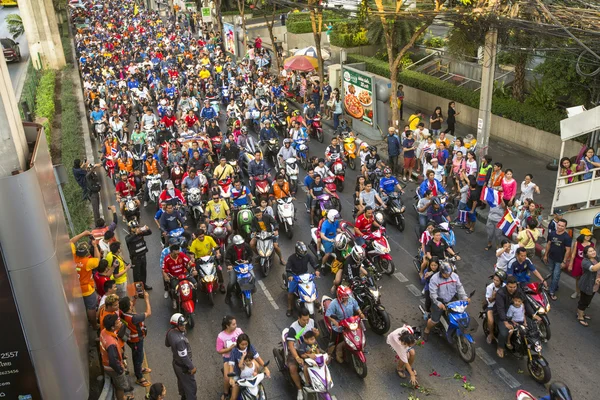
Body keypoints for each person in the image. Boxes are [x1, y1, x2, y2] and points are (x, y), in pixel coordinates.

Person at [423, 263, 469, 341]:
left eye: (449, 273)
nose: (448, 275)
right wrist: (438, 303)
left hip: (451, 299)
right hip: (439, 301)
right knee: (434, 321)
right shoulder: (435, 279)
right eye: (446, 274)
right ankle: (426, 330)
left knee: (459, 314)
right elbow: (433, 294)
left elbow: (459, 287)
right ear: (441, 272)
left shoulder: (454, 276)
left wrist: (465, 297)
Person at [493, 275, 536, 358]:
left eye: (514, 287)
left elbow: (526, 302)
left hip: (516, 314)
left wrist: (533, 315)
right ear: (506, 285)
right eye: (510, 287)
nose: (512, 289)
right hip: (503, 316)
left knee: (531, 325)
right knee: (504, 332)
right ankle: (500, 347)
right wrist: (505, 322)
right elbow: (501, 309)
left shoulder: (518, 290)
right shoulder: (500, 293)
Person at [325, 285, 365, 362]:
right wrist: (335, 322)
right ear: (341, 296)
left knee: (358, 334)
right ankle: (329, 355)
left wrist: (360, 313)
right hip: (339, 325)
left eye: (348, 295)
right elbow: (328, 315)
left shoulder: (351, 300)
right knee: (334, 341)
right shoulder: (334, 303)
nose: (348, 297)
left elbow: (357, 307)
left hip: (350, 323)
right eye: (346, 296)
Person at [286, 308, 320, 399]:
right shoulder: (293, 328)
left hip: (310, 347)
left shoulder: (312, 322)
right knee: (293, 368)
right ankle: (300, 389)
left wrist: (316, 333)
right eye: (304, 320)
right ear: (299, 318)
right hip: (297, 350)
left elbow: (315, 336)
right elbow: (291, 346)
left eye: (307, 319)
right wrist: (297, 357)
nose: (306, 322)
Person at [120, 293, 152, 387]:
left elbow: (130, 306)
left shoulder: (123, 313)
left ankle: (139, 369)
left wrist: (134, 299)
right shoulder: (134, 318)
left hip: (131, 339)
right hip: (136, 340)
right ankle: (139, 377)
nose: (132, 303)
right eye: (130, 302)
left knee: (138, 355)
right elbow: (148, 312)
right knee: (138, 357)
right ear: (129, 306)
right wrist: (146, 299)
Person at [70, 230, 101, 330]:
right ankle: (94, 325)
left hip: (75, 289)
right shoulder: (88, 262)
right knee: (91, 308)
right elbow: (98, 259)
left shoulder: (73, 257)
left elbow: (70, 242)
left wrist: (82, 233)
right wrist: (95, 246)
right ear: (87, 253)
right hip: (87, 290)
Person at [100, 314, 133, 400]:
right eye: (117, 322)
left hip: (105, 363)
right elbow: (113, 361)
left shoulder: (104, 332)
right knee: (120, 387)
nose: (120, 323)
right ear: (112, 327)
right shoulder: (111, 343)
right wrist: (120, 370)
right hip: (113, 369)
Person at [227, 334, 270, 400]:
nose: (244, 346)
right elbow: (231, 365)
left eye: (246, 344)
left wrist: (265, 368)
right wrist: (231, 378)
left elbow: (258, 358)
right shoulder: (234, 351)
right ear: (238, 343)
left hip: (251, 373)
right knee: (233, 398)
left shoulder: (250, 347)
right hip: (238, 374)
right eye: (242, 344)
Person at [165, 313, 197, 400]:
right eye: (181, 325)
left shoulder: (170, 332)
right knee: (191, 388)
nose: (184, 327)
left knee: (182, 382)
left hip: (176, 363)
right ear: (176, 325)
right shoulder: (180, 340)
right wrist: (192, 367)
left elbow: (167, 344)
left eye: (184, 324)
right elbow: (184, 357)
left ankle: (184, 396)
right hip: (184, 367)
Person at [285, 242, 320, 316]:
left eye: (304, 251)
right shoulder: (291, 258)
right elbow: (288, 268)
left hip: (305, 276)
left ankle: (316, 301)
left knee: (314, 287)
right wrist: (290, 275)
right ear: (297, 251)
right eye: (301, 251)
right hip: (295, 276)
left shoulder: (307, 256)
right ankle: (289, 308)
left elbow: (313, 263)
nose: (303, 253)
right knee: (290, 292)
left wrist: (316, 270)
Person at [543, 218, 572, 301]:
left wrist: (564, 261)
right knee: (552, 273)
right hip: (551, 258)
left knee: (556, 276)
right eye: (559, 225)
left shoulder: (567, 237)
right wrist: (545, 255)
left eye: (562, 226)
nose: (560, 227)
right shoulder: (552, 234)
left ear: (565, 227)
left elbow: (568, 250)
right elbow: (548, 244)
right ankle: (555, 286)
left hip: (560, 261)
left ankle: (551, 291)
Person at [216, 315, 244, 400]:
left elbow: (244, 340)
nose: (236, 325)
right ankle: (226, 392)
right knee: (227, 377)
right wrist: (229, 349)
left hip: (240, 355)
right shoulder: (221, 336)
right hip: (228, 358)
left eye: (235, 323)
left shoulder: (238, 331)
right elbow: (219, 350)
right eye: (233, 324)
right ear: (227, 326)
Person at [224, 235, 254, 304]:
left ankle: (251, 289)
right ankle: (228, 296)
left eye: (241, 244)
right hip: (235, 266)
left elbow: (251, 255)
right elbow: (227, 259)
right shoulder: (230, 248)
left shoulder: (246, 246)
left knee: (252, 277)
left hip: (245, 265)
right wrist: (229, 265)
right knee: (232, 282)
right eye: (238, 245)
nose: (240, 246)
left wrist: (247, 261)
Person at [125, 221, 153, 290]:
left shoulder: (141, 234)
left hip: (143, 256)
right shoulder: (128, 237)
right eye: (134, 227)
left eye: (137, 227)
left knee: (143, 272)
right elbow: (128, 240)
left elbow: (149, 232)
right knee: (137, 275)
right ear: (130, 229)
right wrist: (136, 234)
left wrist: (147, 229)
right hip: (136, 259)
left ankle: (144, 285)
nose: (136, 228)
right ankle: (139, 290)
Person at [576, 245, 600, 327]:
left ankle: (581, 312)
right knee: (583, 302)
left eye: (593, 250)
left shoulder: (597, 259)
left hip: (594, 286)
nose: (593, 252)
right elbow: (593, 269)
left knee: (587, 302)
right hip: (586, 285)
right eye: (590, 251)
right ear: (586, 254)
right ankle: (580, 316)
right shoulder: (585, 261)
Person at [568, 228, 593, 299]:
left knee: (586, 280)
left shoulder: (592, 244)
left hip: (587, 264)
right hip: (578, 263)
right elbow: (573, 254)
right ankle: (577, 291)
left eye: (589, 235)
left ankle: (583, 295)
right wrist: (570, 264)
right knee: (578, 278)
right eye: (586, 235)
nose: (588, 237)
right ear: (582, 235)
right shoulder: (577, 243)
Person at [485, 270, 506, 344]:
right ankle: (491, 334)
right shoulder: (490, 287)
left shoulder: (504, 286)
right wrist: (493, 296)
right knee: (491, 320)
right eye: (494, 280)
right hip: (492, 305)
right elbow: (489, 300)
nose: (495, 282)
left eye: (497, 280)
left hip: (502, 304)